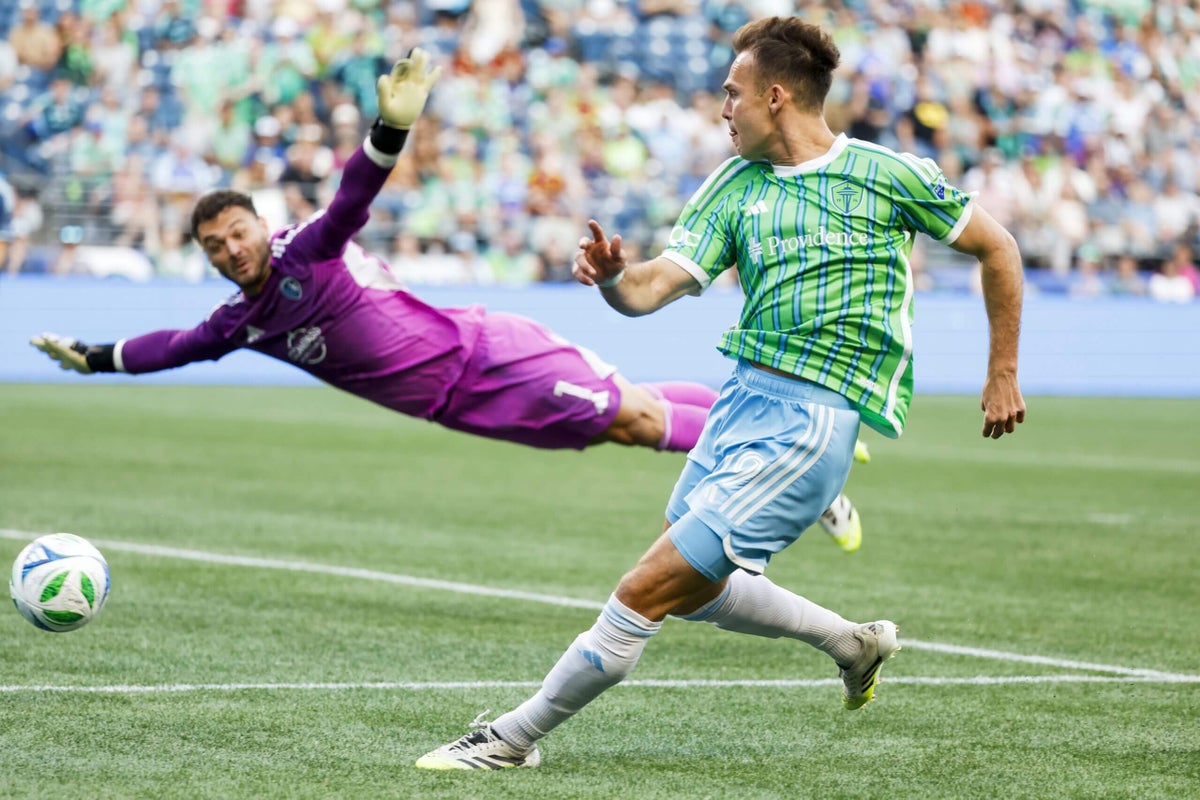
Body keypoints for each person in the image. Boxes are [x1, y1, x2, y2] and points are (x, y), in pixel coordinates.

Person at [416, 16, 1024, 770]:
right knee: (698, 591)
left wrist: (1001, 372)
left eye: (732, 93)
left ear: (776, 96)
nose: (721, 108)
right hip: (740, 405)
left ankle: (512, 739)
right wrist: (611, 278)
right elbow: (649, 291)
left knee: (646, 586)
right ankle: (852, 643)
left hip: (812, 422)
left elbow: (996, 245)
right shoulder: (736, 186)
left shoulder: (885, 175)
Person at [30, 50, 869, 549]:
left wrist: (388, 129)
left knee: (635, 422)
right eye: (216, 246)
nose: (233, 248)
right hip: (462, 402)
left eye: (239, 231)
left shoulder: (307, 254)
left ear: (260, 225)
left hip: (483, 357)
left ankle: (796, 464)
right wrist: (96, 359)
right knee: (633, 414)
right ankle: (785, 429)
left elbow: (353, 196)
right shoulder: (243, 321)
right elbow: (174, 345)